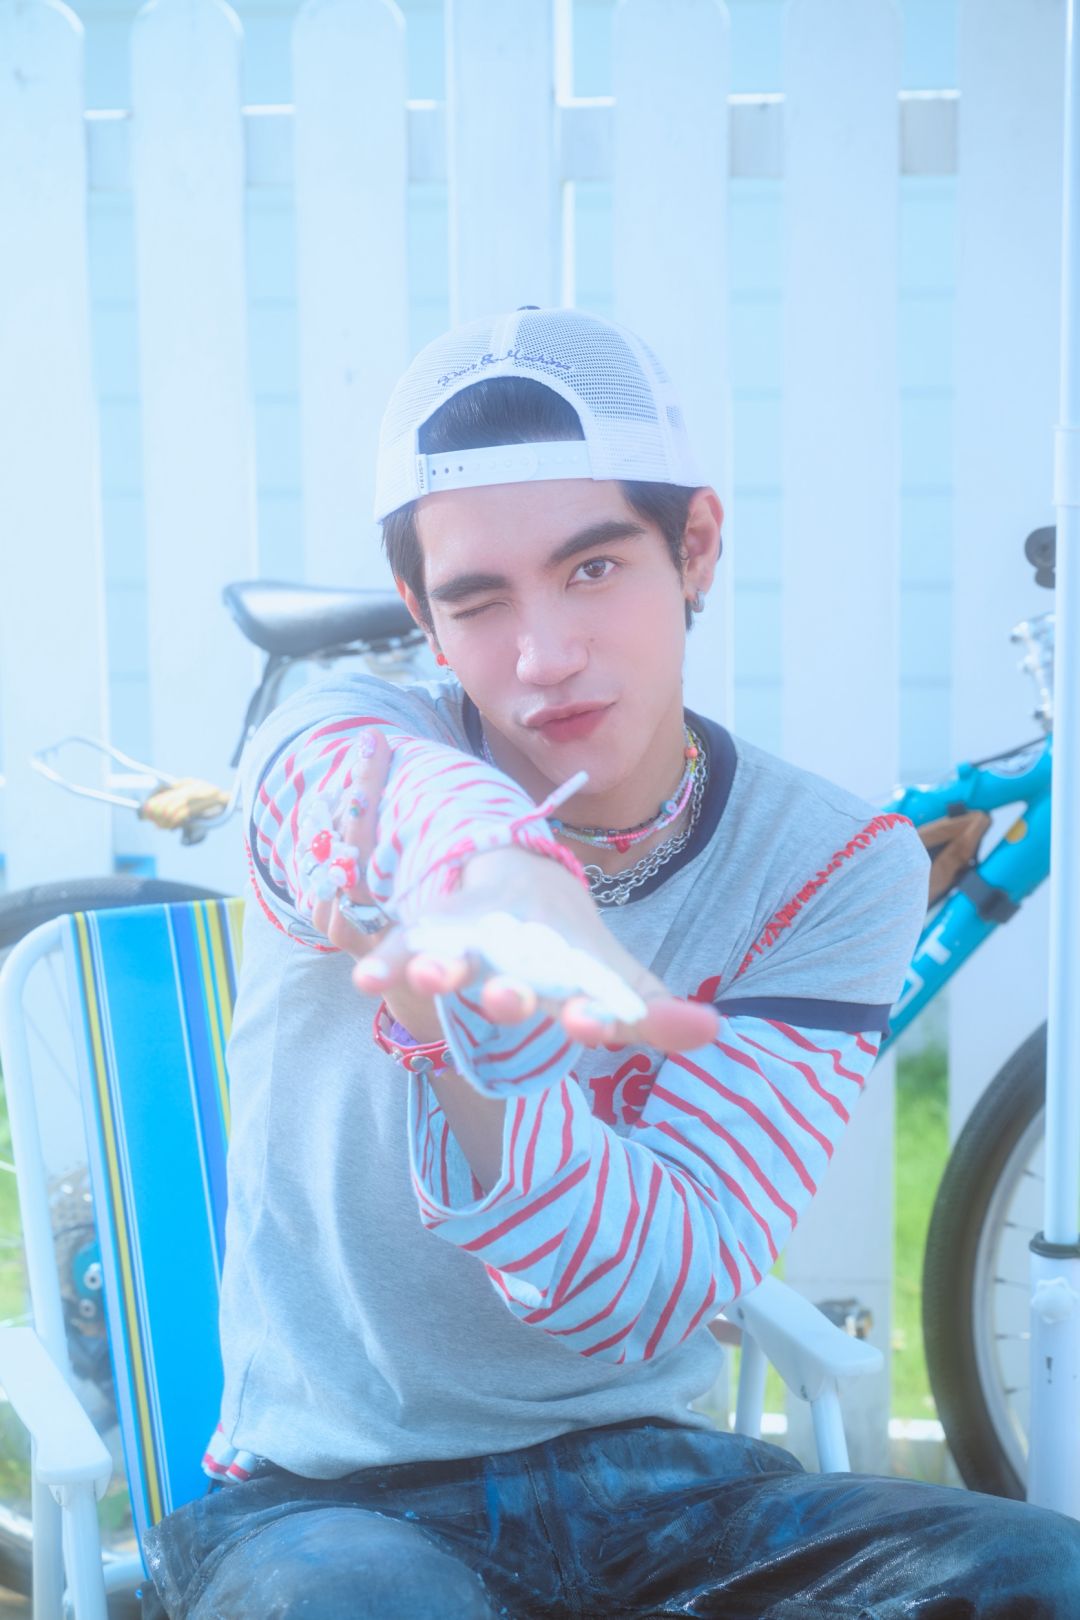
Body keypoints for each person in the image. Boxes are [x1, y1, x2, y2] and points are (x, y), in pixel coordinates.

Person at [142, 308, 1079, 1617]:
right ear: (422, 616)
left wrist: (487, 1053)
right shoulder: (344, 750)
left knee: (1040, 1574)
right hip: (329, 1499)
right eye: (478, 600)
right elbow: (357, 796)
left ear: (694, 548)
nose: (545, 656)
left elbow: (647, 1294)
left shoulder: (834, 866)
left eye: (592, 569)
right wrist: (494, 873)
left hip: (666, 1488)